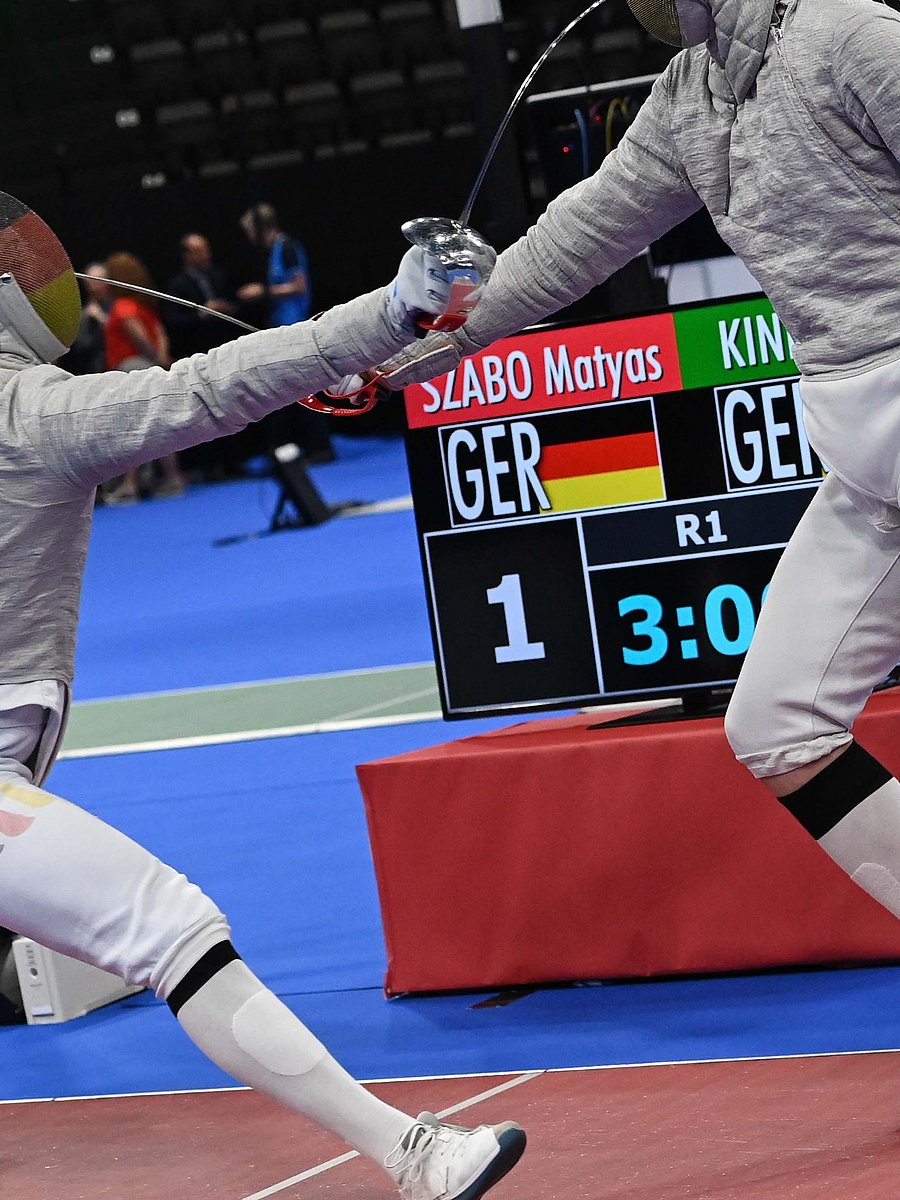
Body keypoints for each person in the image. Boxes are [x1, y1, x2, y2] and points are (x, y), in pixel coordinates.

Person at [0, 189, 520, 1200]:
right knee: (168, 924)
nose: (48, 273)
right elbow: (209, 389)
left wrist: (348, 351)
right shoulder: (35, 417)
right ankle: (412, 1154)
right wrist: (392, 314)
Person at [381, 0, 900, 940]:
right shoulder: (691, 95)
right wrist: (384, 358)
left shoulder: (851, 35)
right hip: (871, 469)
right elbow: (563, 249)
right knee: (779, 724)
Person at [238, 202, 335, 465]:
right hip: (282, 327)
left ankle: (321, 447)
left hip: (295, 327)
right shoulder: (274, 251)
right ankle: (303, 446)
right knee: (291, 391)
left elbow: (299, 286)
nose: (249, 237)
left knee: (304, 389)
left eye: (250, 231)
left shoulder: (288, 247)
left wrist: (263, 291)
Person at [103, 251, 187, 502]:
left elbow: (137, 334)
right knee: (157, 423)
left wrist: (153, 356)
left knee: (133, 425)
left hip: (131, 367)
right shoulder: (144, 306)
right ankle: (171, 477)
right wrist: (161, 358)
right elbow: (160, 333)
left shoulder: (122, 306)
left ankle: (130, 484)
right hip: (149, 366)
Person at [165, 233, 249, 480]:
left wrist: (227, 307)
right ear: (187, 255)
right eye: (199, 251)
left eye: (206, 249)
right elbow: (173, 320)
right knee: (204, 408)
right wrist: (202, 314)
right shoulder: (177, 285)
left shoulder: (219, 276)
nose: (206, 255)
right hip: (197, 355)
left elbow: (236, 305)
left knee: (234, 402)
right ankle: (209, 466)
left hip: (225, 350)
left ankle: (235, 462)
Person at [62, 262, 110, 376]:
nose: (94, 286)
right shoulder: (82, 310)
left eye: (98, 281)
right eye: (90, 282)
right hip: (89, 369)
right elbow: (80, 346)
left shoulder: (116, 305)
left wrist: (101, 319)